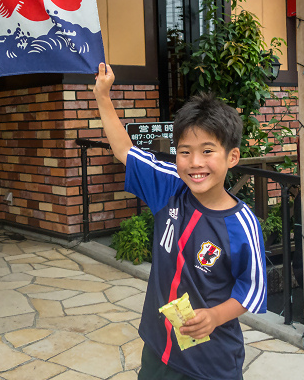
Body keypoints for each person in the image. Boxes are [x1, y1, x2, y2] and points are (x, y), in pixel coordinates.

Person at [93, 62, 267, 380]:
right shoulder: (170, 186)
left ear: (232, 157)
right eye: (185, 152)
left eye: (207, 151)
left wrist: (214, 316)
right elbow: (124, 150)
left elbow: (251, 289)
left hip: (210, 363)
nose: (195, 162)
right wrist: (103, 96)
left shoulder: (242, 225)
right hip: (158, 349)